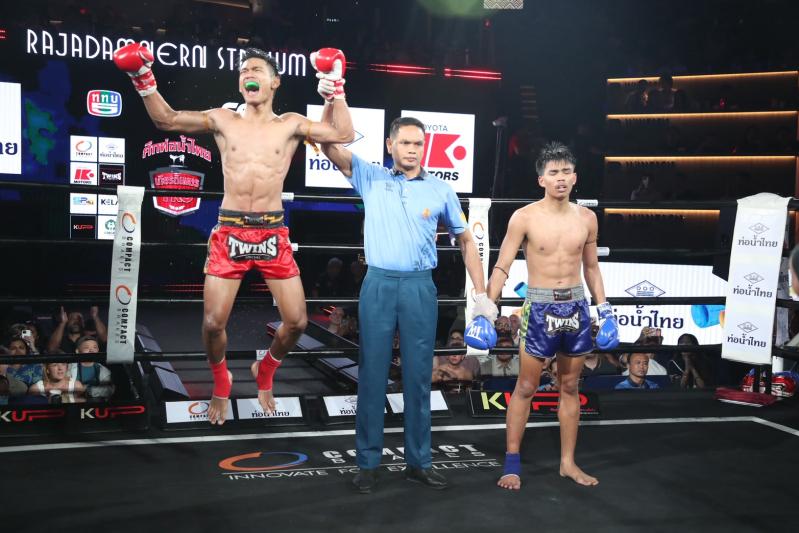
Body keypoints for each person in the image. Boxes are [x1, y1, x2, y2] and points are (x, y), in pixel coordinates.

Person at [113, 44, 354, 424]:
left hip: (273, 233)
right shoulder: (223, 119)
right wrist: (142, 78)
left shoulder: (290, 124)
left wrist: (335, 89)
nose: (248, 75)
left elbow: (343, 133)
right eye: (243, 71)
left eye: (256, 69)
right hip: (230, 231)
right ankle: (221, 381)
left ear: (274, 82)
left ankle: (266, 370)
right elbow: (167, 120)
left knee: (297, 322)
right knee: (212, 323)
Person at [320, 114, 497, 493]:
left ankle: (419, 462)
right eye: (405, 143)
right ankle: (368, 463)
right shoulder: (371, 176)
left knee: (418, 378)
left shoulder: (440, 190)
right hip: (379, 284)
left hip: (419, 287)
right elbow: (328, 146)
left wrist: (481, 295)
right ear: (390, 145)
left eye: (418, 143)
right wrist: (332, 98)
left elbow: (466, 241)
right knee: (372, 375)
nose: (413, 150)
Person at [486, 141, 618, 490]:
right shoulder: (524, 217)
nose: (560, 178)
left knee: (570, 385)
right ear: (541, 179)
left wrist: (604, 309)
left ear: (575, 177)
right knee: (527, 386)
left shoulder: (587, 218)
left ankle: (567, 463)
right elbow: (502, 265)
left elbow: (592, 268)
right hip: (539, 308)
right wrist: (486, 308)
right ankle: (512, 464)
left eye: (566, 172)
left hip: (576, 306)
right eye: (553, 172)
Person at [69, 336, 115, 401]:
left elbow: (108, 391)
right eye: (86, 347)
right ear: (77, 351)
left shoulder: (104, 371)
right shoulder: (69, 368)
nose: (91, 350)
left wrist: (88, 390)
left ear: (98, 350)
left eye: (94, 347)